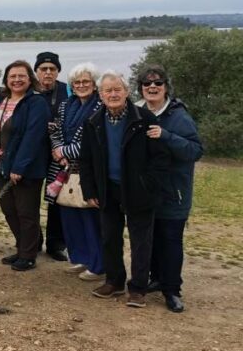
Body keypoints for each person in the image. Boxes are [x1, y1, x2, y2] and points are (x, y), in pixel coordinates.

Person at [80, 71, 170, 307]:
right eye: (107, 91)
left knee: (141, 241)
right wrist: (89, 190)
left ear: (126, 92)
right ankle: (114, 281)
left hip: (138, 190)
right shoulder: (93, 122)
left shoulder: (144, 118)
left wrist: (149, 184)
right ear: (100, 95)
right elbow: (86, 159)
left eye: (117, 89)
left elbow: (160, 158)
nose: (113, 94)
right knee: (110, 238)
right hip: (107, 189)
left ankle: (138, 288)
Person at [137, 65, 203, 313]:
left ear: (166, 87)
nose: (152, 87)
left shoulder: (178, 116)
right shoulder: (137, 111)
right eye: (147, 84)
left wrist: (165, 135)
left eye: (158, 83)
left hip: (173, 191)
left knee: (171, 240)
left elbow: (195, 151)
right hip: (145, 190)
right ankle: (156, 278)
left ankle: (172, 290)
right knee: (149, 238)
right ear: (140, 87)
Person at [47, 63, 105, 281]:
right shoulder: (65, 105)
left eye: (86, 82)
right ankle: (81, 257)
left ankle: (98, 264)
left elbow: (95, 142)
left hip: (88, 170)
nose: (81, 86)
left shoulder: (100, 106)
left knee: (90, 216)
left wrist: (64, 151)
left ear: (94, 84)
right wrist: (58, 150)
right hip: (64, 170)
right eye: (77, 82)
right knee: (70, 216)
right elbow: (54, 130)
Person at [0, 61, 51, 271]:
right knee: (9, 209)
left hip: (25, 168)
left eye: (21, 76)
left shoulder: (36, 103)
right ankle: (25, 245)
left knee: (26, 212)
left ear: (30, 79)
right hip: (1, 164)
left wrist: (20, 167)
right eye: (12, 76)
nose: (16, 80)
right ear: (6, 79)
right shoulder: (4, 99)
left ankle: (28, 255)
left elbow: (33, 137)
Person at [35, 51, 69, 261]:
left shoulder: (68, 90)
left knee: (57, 199)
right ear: (36, 71)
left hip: (59, 153)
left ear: (57, 71)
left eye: (52, 69)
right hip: (35, 151)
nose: (48, 73)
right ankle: (33, 240)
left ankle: (56, 244)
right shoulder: (29, 90)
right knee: (29, 199)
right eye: (43, 69)